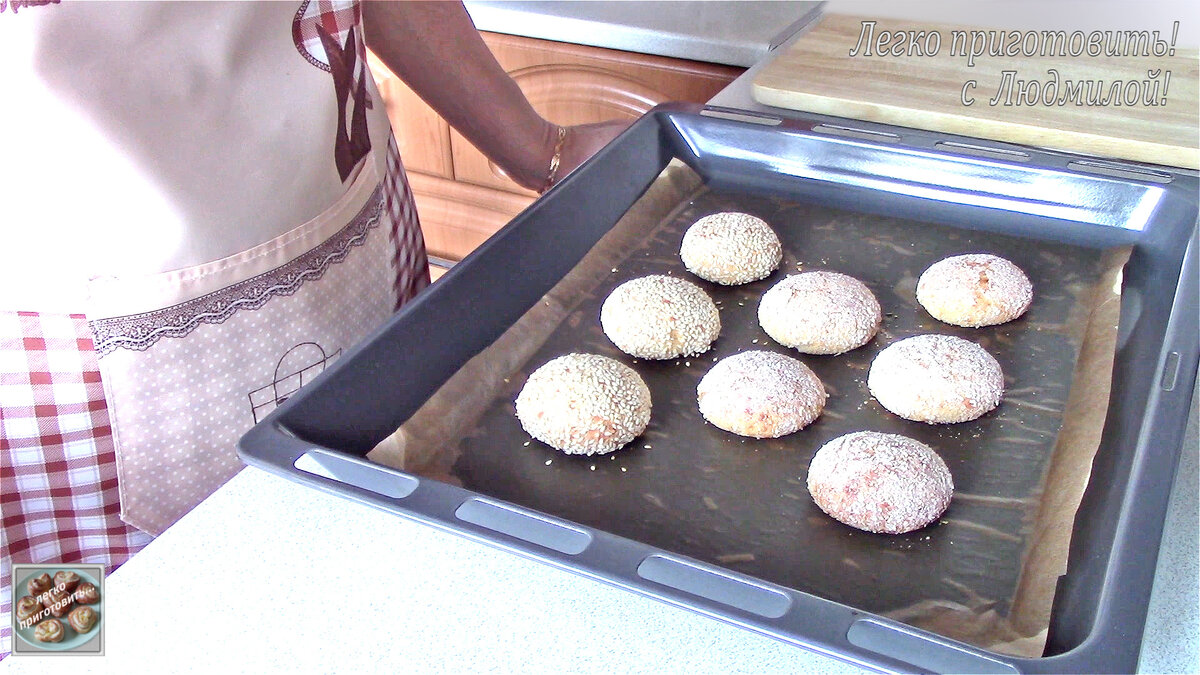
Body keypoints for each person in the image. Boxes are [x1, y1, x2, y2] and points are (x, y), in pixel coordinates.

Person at [0, 0, 627, 658]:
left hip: (345, 228)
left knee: (396, 585)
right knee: (98, 642)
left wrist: (541, 149)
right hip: (65, 357)